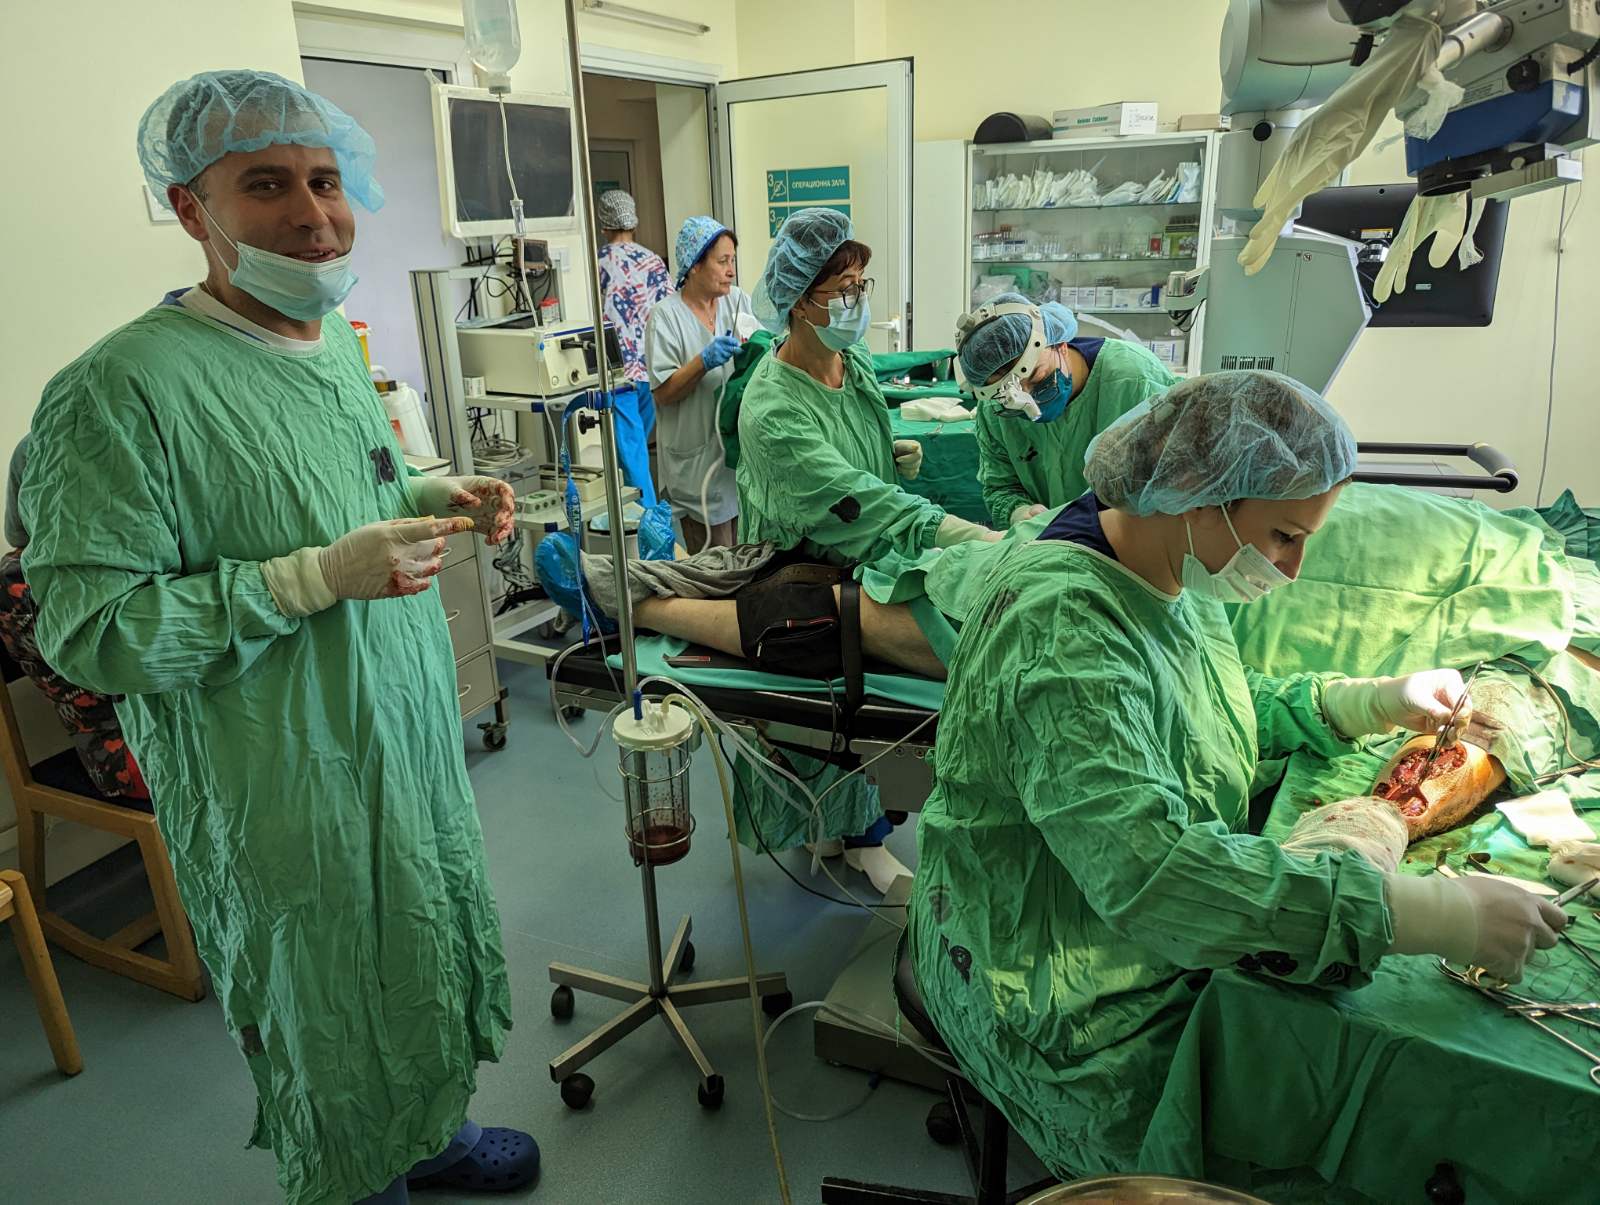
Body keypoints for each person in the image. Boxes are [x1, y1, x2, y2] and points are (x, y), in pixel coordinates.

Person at [21, 71, 537, 1205]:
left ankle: (430, 1132)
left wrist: (429, 489)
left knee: (421, 934)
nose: (314, 215)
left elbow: (337, 484)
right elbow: (97, 634)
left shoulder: (331, 341)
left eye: (326, 180)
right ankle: (362, 1180)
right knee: (328, 989)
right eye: (266, 185)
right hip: (278, 772)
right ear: (190, 207)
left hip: (401, 725)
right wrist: (311, 579)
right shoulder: (116, 391)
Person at [908, 370, 1567, 1187]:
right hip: (1041, 984)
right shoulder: (1062, 632)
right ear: (1198, 493)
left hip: (1110, 930)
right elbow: (1154, 875)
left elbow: (1209, 704)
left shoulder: (1169, 568)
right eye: (1284, 535)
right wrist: (1434, 914)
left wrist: (1371, 701)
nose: (1291, 567)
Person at [0, 437, 148, 802]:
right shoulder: (20, 582)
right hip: (130, 753)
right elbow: (134, 667)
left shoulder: (108, 559)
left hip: (166, 734)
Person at [956, 291, 1179, 527]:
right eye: (1010, 396)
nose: (1028, 401)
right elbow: (1001, 485)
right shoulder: (994, 408)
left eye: (1036, 376)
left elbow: (1170, 484)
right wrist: (1019, 512)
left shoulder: (1135, 381)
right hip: (1048, 539)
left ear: (1060, 345)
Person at [645, 216, 754, 552]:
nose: (731, 271)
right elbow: (663, 393)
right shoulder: (666, 317)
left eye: (733, 260)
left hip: (738, 464)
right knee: (717, 570)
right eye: (723, 262)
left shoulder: (738, 301)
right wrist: (702, 362)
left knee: (750, 562)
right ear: (694, 265)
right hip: (697, 470)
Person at [594, 189, 671, 503]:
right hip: (650, 369)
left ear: (603, 225)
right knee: (636, 448)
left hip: (618, 373)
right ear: (634, 221)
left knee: (631, 454)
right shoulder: (653, 262)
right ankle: (637, 518)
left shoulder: (597, 263)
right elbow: (668, 311)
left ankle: (650, 522)